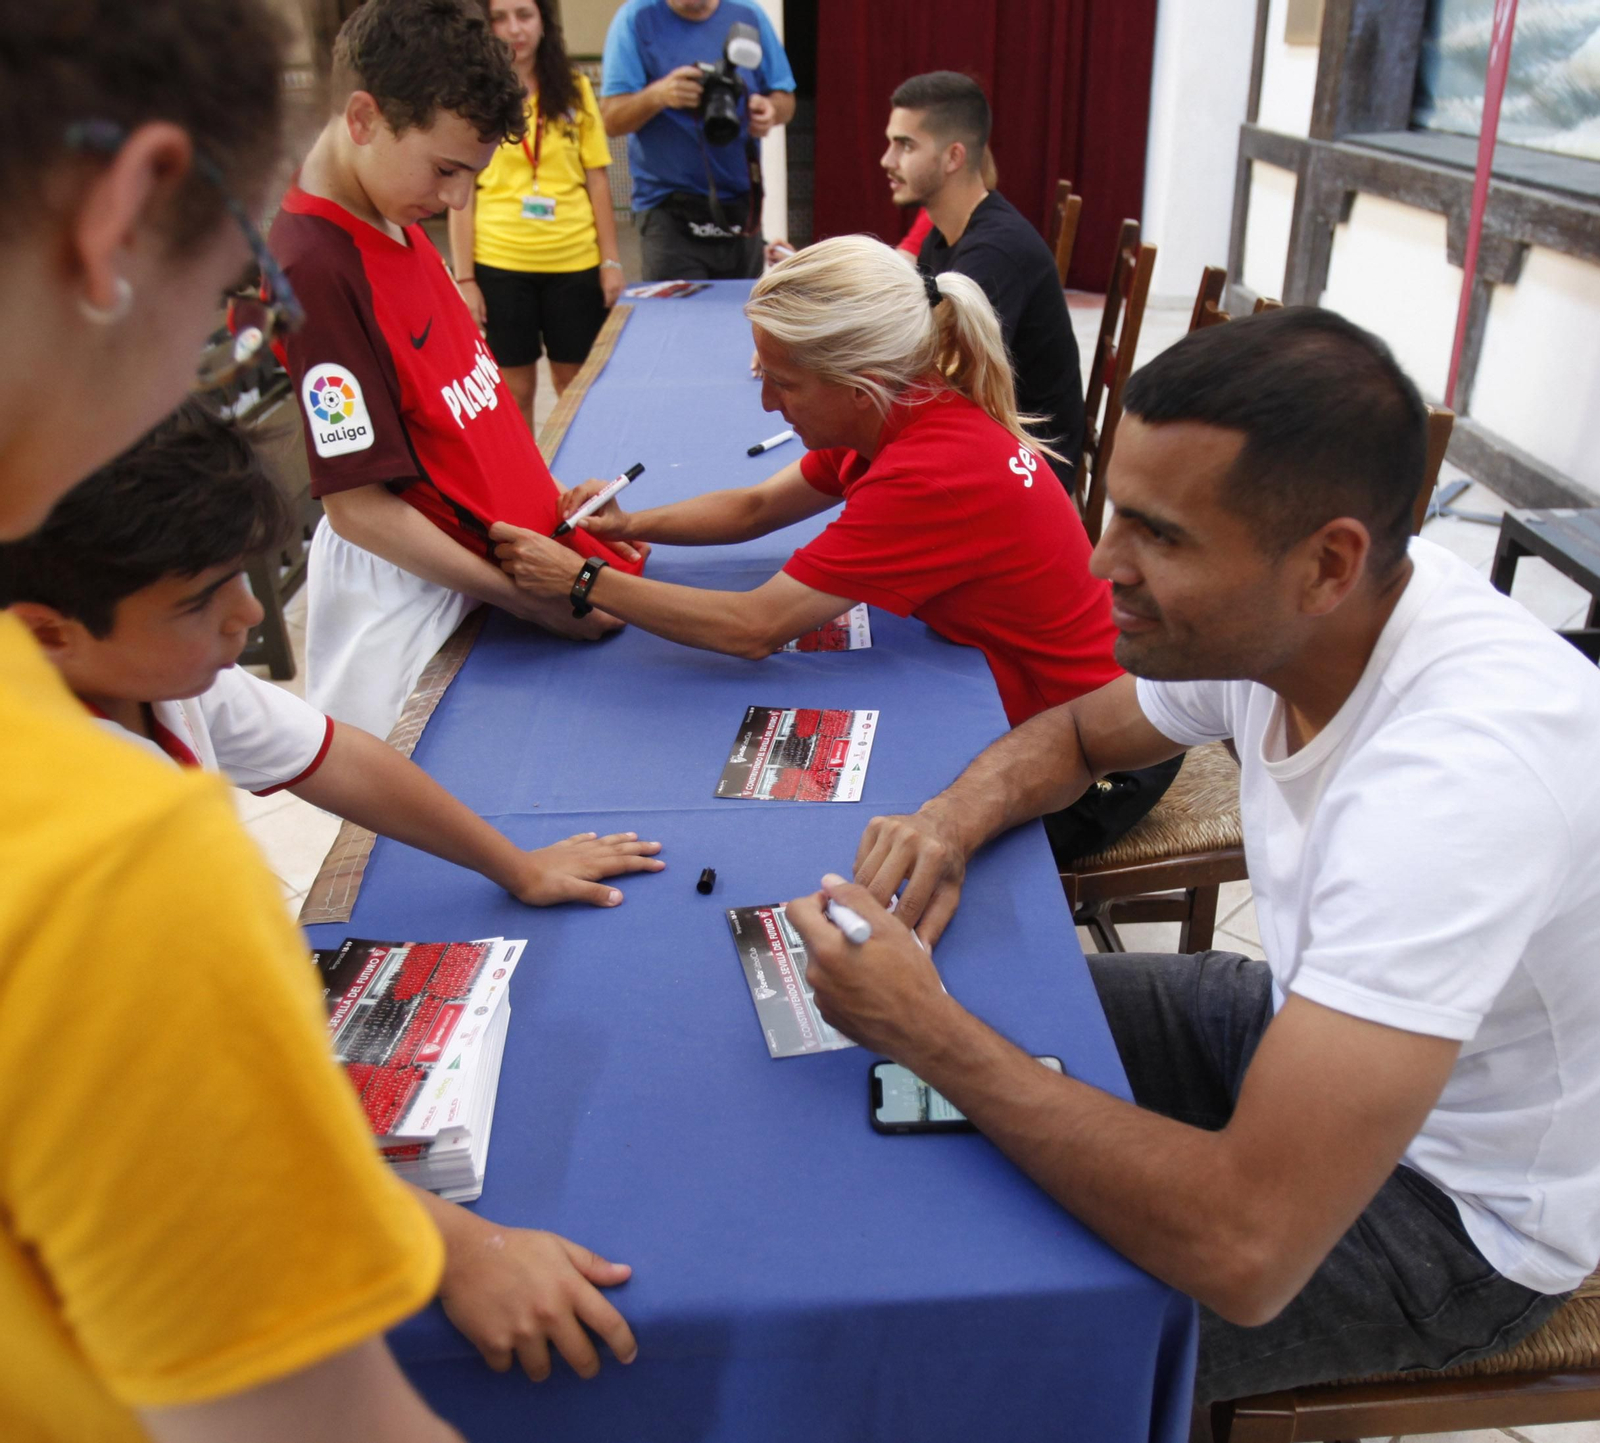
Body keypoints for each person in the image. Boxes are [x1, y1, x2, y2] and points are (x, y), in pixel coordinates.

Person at [784, 308, 1600, 1413]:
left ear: (1327, 564)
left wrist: (929, 1035)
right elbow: (1075, 736)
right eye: (1116, 509)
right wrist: (948, 819)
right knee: (942, 1010)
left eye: (1158, 536)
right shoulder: (1293, 624)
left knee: (969, 1341)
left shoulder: (1453, 788)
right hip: (1289, 1026)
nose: (1097, 560)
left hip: (1456, 1219)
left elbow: (1244, 1248)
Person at [0, 4, 627, 1440]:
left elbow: (316, 745)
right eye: (223, 277)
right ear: (120, 218)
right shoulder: (111, 859)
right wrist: (454, 1243)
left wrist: (517, 863)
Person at [490, 236, 1179, 849]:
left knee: (844, 842)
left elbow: (751, 628)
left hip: (1099, 756)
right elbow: (757, 504)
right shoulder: (902, 407)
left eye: (783, 383)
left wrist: (580, 580)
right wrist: (630, 523)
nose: (766, 406)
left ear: (861, 387)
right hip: (1068, 701)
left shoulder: (930, 472)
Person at [0, 401, 666, 910]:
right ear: (47, 633)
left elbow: (336, 758)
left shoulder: (160, 676)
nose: (252, 612)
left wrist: (520, 866)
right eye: (200, 600)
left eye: (241, 573)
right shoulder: (54, 827)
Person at [271, 0, 646, 740]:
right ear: (362, 118)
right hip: (416, 595)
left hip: (487, 560)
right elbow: (358, 505)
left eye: (470, 176)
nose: (453, 200)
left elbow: (464, 407)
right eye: (445, 170)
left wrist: (548, 504)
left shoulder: (392, 204)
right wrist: (526, 597)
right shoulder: (312, 266)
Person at [885, 72, 1084, 488]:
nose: (887, 160)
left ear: (953, 157)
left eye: (905, 145)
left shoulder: (995, 254)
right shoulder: (942, 238)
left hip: (1030, 468)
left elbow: (939, 376)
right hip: (994, 439)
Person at [449, 0, 626, 431]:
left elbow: (597, 179)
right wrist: (465, 278)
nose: (515, 28)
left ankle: (579, 486)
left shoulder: (575, 89)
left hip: (574, 261)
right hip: (501, 263)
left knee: (575, 385)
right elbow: (461, 190)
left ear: (544, 22)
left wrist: (611, 261)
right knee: (512, 391)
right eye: (501, 18)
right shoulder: (470, 96)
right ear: (486, 26)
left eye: (525, 15)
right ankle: (522, 490)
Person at [600, 0, 795, 282]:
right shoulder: (636, 17)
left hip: (741, 207)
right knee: (678, 322)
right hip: (668, 209)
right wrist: (659, 95)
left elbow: (786, 100)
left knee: (741, 319)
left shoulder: (748, 15)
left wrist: (770, 110)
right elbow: (610, 120)